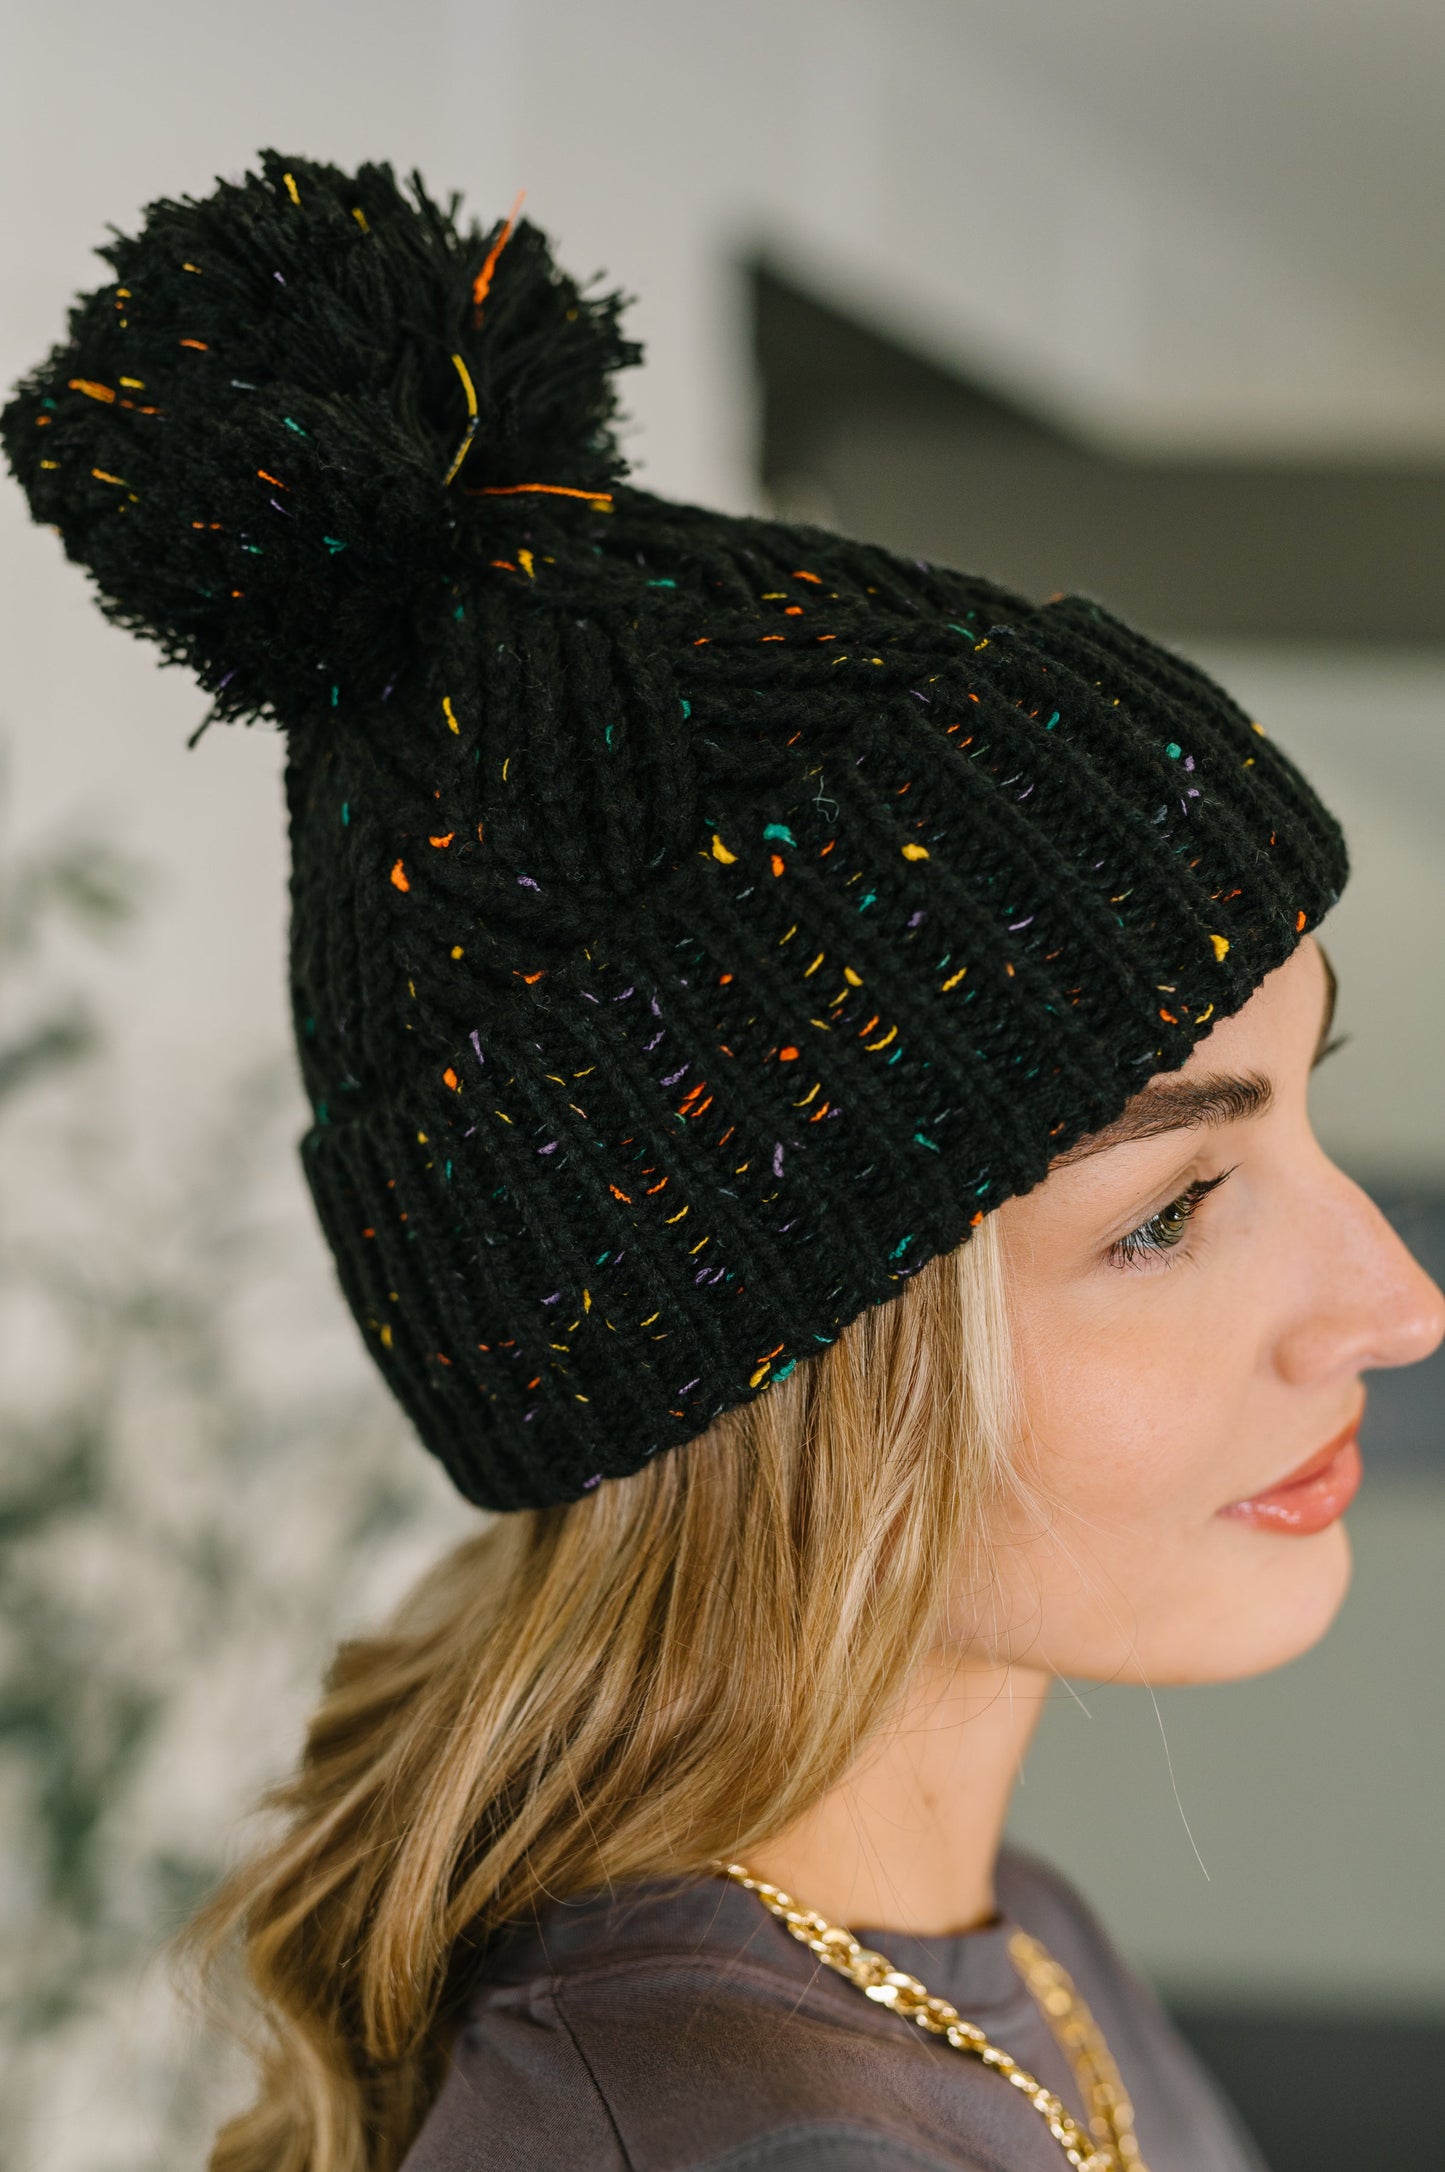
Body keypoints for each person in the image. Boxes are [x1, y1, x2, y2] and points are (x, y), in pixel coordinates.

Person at [4, 150, 1440, 2172]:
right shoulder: (751, 2131)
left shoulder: (996, 1949)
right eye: (1173, 1211)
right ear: (772, 1364)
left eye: (1307, 1097)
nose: (1396, 1303)